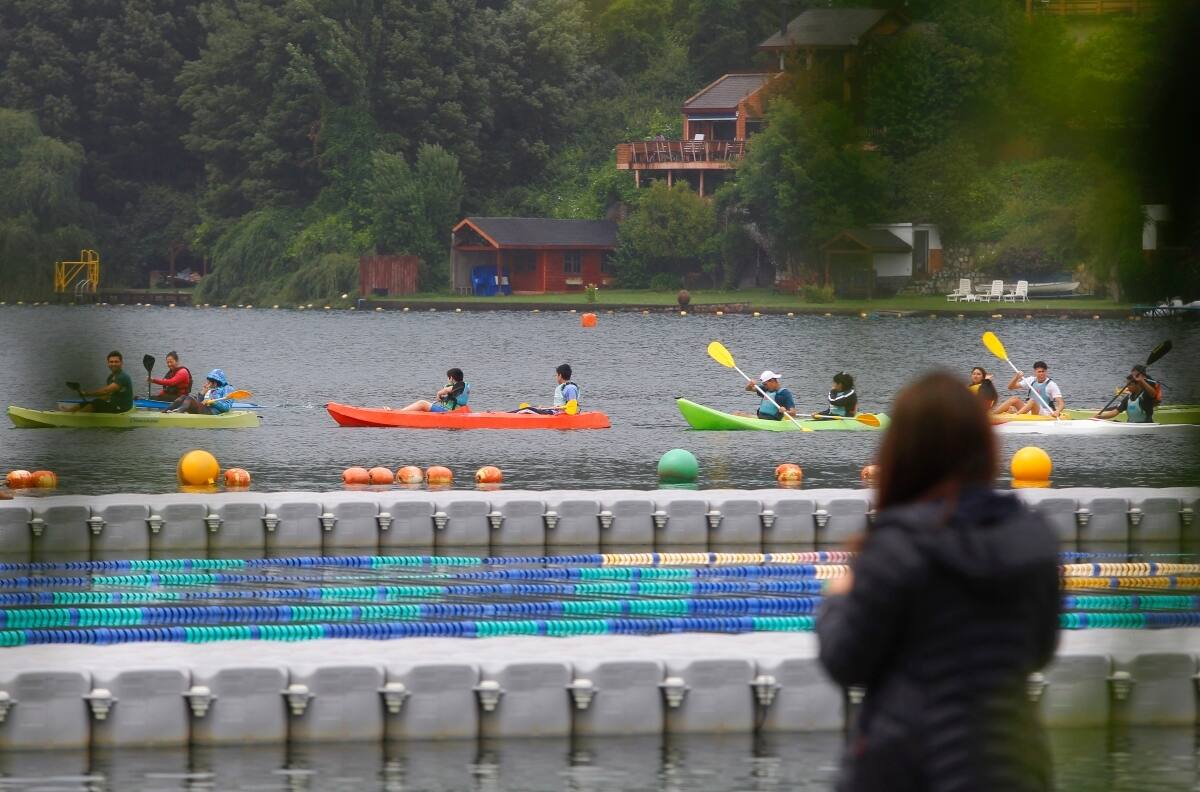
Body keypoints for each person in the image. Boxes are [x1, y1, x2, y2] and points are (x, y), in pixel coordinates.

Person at [816, 371, 1059, 791]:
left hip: (906, 761)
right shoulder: (1033, 537)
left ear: (901, 453)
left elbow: (847, 660)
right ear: (985, 449)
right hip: (1013, 760)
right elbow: (1038, 651)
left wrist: (839, 595)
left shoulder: (896, 544)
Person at [70, 351, 134, 413]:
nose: (113, 364)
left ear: (121, 363)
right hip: (114, 406)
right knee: (86, 403)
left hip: (122, 409)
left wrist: (86, 393)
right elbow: (108, 395)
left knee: (97, 403)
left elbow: (105, 391)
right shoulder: (110, 377)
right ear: (108, 363)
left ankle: (77, 417)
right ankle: (67, 412)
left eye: (116, 362)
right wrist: (91, 403)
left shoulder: (123, 377)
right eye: (111, 362)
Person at [994, 360, 1064, 416]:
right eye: (1039, 372)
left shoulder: (1051, 385)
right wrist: (1016, 377)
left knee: (1032, 401)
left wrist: (1057, 411)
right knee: (1014, 399)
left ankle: (1015, 416)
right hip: (1029, 409)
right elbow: (1010, 387)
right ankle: (993, 415)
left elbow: (1061, 403)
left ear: (1046, 372)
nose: (1041, 374)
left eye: (1043, 371)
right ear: (1035, 372)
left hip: (1045, 412)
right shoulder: (1031, 380)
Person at [400, 368, 469, 413]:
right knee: (423, 409)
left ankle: (400, 413)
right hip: (457, 411)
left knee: (422, 403)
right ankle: (404, 412)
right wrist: (444, 399)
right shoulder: (464, 387)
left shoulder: (458, 386)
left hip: (449, 412)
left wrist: (439, 394)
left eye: (448, 378)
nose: (447, 380)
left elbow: (447, 390)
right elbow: (454, 395)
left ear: (451, 378)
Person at [167, 369, 234, 414]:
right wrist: (202, 393)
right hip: (204, 408)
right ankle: (165, 411)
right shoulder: (210, 388)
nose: (209, 384)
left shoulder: (228, 388)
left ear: (217, 382)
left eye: (211, 382)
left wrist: (213, 402)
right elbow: (199, 402)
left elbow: (226, 407)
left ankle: (178, 413)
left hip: (213, 411)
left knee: (189, 399)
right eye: (209, 381)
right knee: (184, 397)